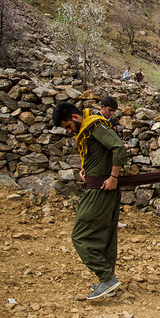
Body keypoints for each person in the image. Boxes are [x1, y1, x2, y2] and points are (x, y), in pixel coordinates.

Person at [52, 102, 127, 300]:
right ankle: (107, 281)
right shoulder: (88, 130)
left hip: (99, 191)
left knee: (80, 235)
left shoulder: (94, 125)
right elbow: (100, 153)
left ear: (75, 118)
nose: (68, 131)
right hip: (100, 187)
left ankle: (106, 277)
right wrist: (86, 169)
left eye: (67, 126)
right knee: (106, 235)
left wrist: (114, 177)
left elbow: (118, 147)